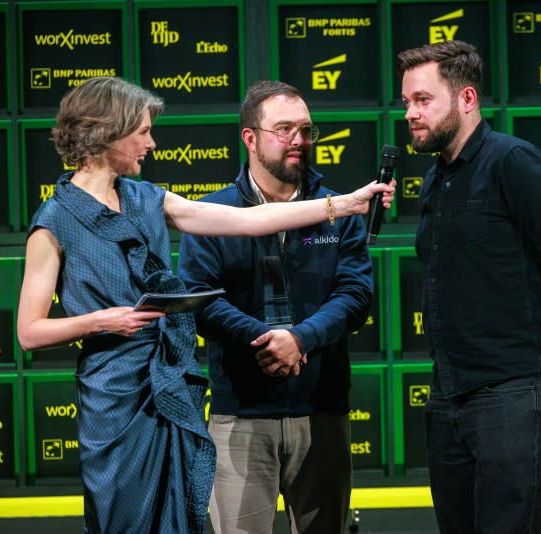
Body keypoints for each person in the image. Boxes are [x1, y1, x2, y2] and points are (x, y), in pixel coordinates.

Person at [15, 76, 394, 534]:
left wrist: (346, 204)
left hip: (168, 385)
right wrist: (102, 320)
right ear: (108, 132)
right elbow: (29, 332)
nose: (152, 143)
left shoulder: (145, 197)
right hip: (114, 395)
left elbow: (249, 221)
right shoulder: (54, 219)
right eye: (143, 132)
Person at [397, 41, 541, 534]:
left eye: (423, 100)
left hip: (511, 392)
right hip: (448, 394)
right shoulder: (435, 179)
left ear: (467, 98)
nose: (410, 114)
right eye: (406, 102)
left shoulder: (513, 161)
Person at [176, 80, 372, 534]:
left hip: (321, 412)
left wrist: (300, 339)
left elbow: (355, 296)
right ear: (250, 138)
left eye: (306, 130)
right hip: (239, 414)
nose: (299, 140)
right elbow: (200, 299)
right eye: (284, 130)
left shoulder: (337, 210)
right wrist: (266, 341)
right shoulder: (212, 213)